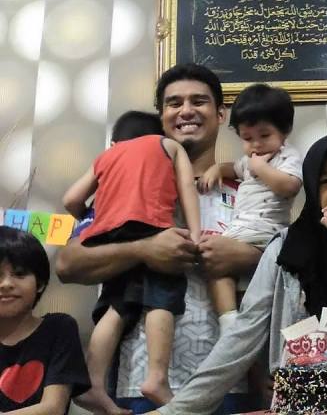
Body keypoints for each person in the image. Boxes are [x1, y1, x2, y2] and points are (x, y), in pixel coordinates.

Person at [143, 134, 327, 415]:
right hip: (299, 405)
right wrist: (178, 410)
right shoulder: (284, 249)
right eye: (326, 181)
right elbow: (243, 335)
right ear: (312, 188)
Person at [55, 63, 262, 414]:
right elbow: (67, 264)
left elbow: (283, 264)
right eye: (174, 103)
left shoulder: (250, 191)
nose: (186, 110)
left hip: (233, 383)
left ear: (220, 114)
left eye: (199, 101)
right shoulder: (119, 193)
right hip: (137, 386)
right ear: (162, 117)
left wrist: (245, 256)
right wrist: (143, 249)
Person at [62, 110, 201, 413]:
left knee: (117, 305)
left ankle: (93, 383)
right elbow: (187, 188)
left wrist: (94, 217)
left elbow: (70, 199)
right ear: (159, 134)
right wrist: (194, 234)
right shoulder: (168, 145)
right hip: (151, 226)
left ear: (115, 142)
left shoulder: (106, 156)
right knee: (162, 296)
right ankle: (157, 378)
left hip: (107, 235)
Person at [198, 84, 302, 334]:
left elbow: (290, 186)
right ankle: (229, 320)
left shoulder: (287, 156)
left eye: (264, 135)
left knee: (215, 256)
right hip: (241, 230)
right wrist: (216, 169)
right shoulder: (249, 161)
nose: (256, 144)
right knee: (214, 266)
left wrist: (261, 168)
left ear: (285, 131)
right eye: (247, 138)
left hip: (267, 233)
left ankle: (240, 322)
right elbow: (232, 167)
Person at [0, 226, 90, 414]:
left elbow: (53, 408)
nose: (6, 284)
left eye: (19, 273)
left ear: (39, 283)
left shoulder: (59, 329)